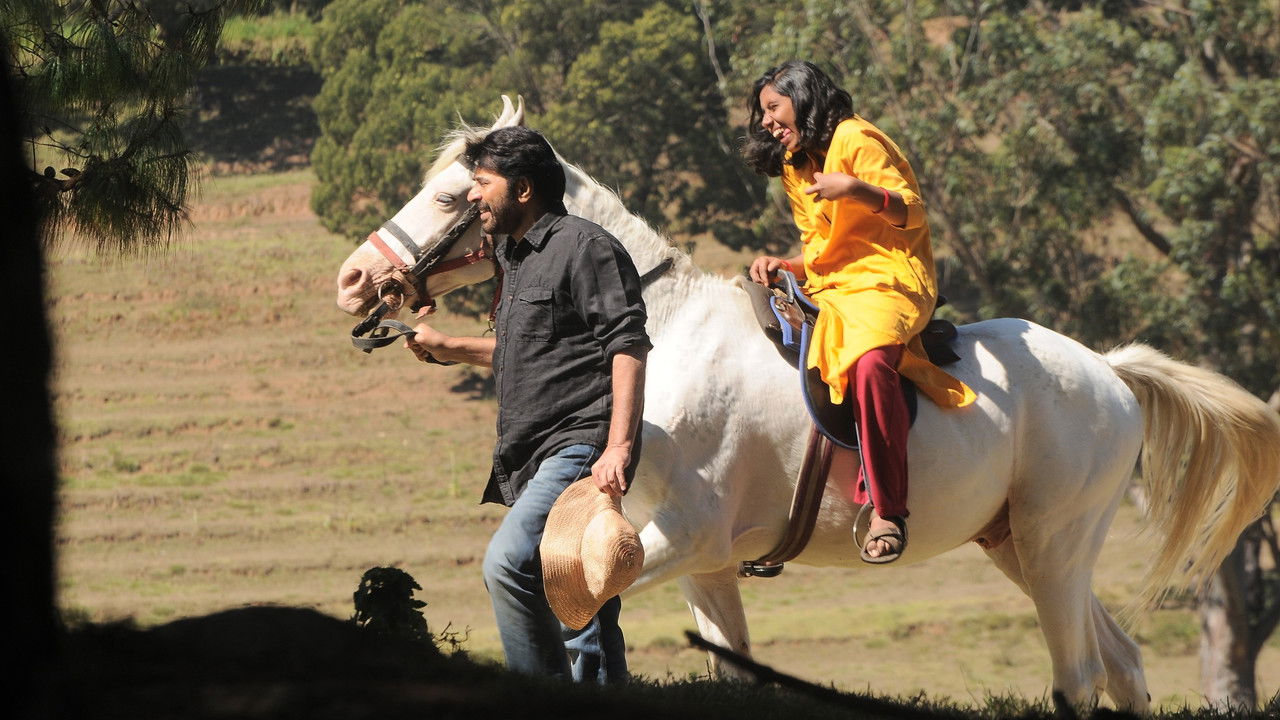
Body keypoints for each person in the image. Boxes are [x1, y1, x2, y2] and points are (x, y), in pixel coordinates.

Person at [404, 126, 650, 682]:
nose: (473, 196)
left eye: (482, 183)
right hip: (535, 451)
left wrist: (617, 448)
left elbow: (628, 346)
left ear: (522, 189)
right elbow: (533, 352)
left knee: (509, 563)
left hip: (580, 444)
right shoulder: (515, 258)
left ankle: (538, 697)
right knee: (580, 588)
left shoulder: (585, 247)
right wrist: (450, 349)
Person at [744, 60, 975, 564]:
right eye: (762, 112)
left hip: (894, 277)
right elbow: (822, 248)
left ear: (802, 99)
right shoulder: (794, 164)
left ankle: (888, 510)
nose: (765, 120)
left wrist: (854, 189)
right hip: (837, 285)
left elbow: (911, 211)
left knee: (870, 363)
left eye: (772, 107)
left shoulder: (858, 138)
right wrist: (784, 263)